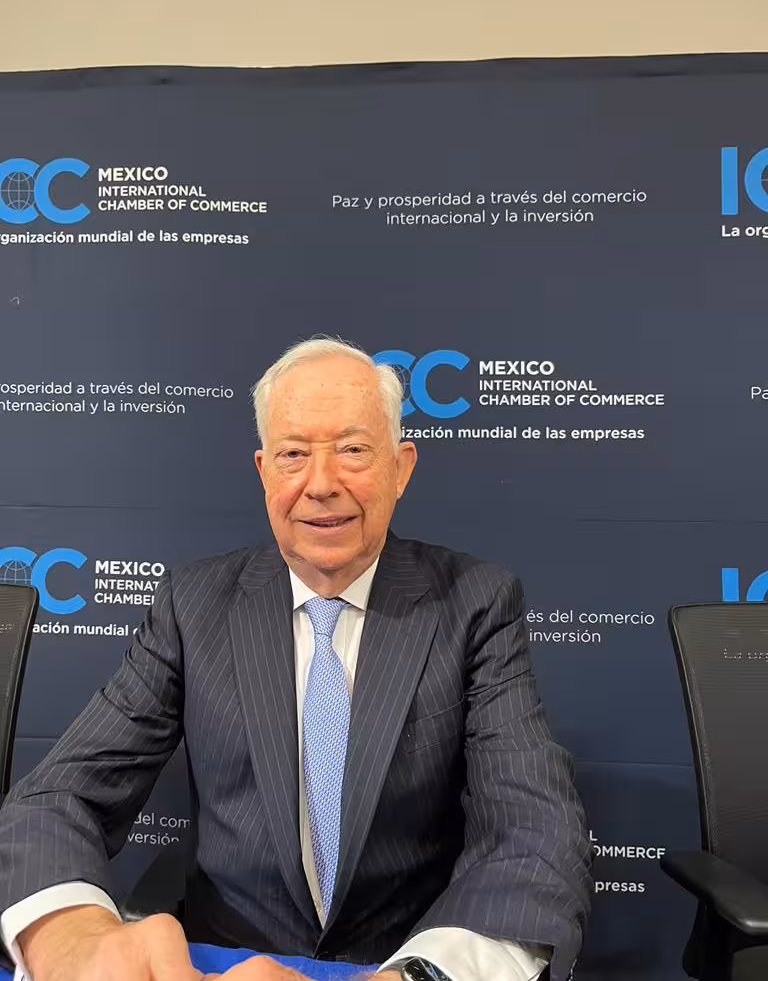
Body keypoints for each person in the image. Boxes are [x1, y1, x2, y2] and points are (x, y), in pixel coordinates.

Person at [0, 338, 591, 981]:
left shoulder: (476, 603)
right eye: (293, 455)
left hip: (401, 961)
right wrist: (72, 941)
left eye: (354, 450)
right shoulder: (193, 604)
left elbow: (532, 832)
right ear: (264, 472)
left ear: (401, 467)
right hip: (227, 962)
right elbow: (59, 796)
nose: (322, 484)